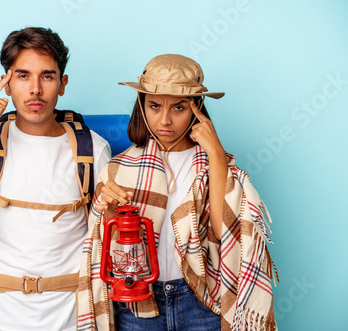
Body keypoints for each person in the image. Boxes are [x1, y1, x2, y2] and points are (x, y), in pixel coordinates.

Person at [77, 54, 277, 331]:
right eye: (155, 106)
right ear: (142, 106)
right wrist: (108, 205)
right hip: (139, 304)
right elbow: (109, 245)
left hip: (199, 300)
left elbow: (224, 234)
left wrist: (217, 155)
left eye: (179, 107)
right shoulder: (119, 167)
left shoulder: (213, 165)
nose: (165, 120)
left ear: (197, 108)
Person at [0, 27, 111, 331]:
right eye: (22, 76)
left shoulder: (93, 149)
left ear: (62, 84)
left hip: (74, 318)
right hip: (1, 317)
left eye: (47, 76)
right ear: (6, 83)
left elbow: (111, 243)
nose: (35, 89)